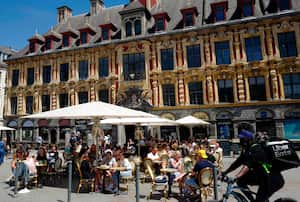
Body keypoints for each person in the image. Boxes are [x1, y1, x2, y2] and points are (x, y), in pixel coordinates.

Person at [222, 130, 285, 202]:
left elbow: (248, 165)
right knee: (241, 181)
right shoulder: (246, 150)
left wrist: (236, 176)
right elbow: (236, 164)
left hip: (272, 179)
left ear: (247, 139)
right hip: (262, 177)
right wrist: (225, 172)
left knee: (259, 199)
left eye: (242, 139)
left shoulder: (256, 148)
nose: (240, 140)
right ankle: (251, 200)